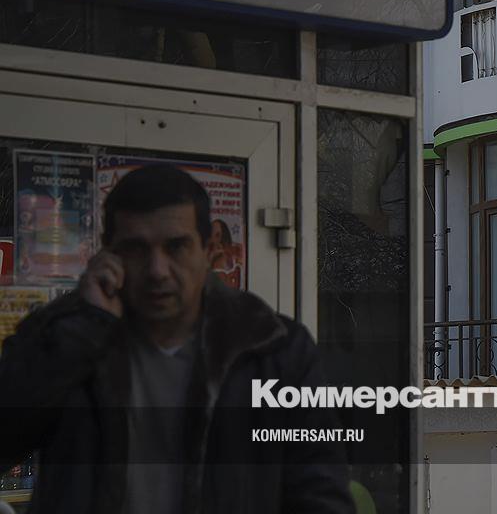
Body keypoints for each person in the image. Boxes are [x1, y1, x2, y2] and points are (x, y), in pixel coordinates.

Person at [0, 165, 352, 514]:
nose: (157, 270)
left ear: (209, 249)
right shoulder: (62, 336)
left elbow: (320, 492)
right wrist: (84, 330)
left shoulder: (275, 349)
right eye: (137, 249)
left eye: (176, 247)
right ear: (109, 252)